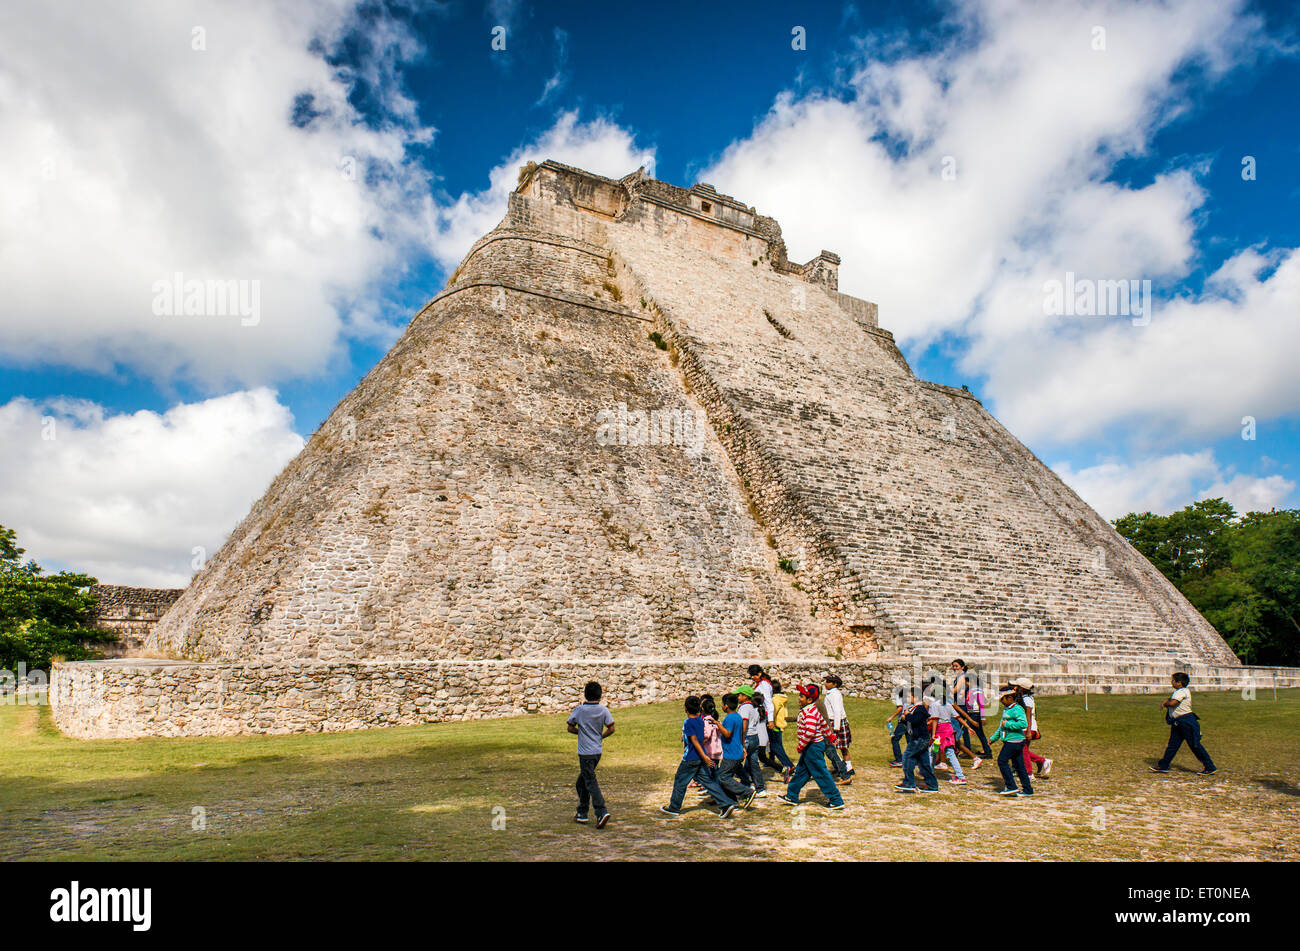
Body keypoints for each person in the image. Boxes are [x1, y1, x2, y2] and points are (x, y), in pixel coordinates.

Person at [661, 695, 752, 817]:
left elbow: (694, 741)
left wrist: (704, 756)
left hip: (691, 758)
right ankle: (725, 803)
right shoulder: (700, 721)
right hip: (699, 758)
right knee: (708, 782)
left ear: (685, 708)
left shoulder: (688, 722)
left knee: (680, 781)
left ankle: (674, 807)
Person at [777, 684, 845, 809]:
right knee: (801, 772)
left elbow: (810, 731)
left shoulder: (808, 712)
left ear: (809, 700)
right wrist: (831, 737)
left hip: (812, 747)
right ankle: (791, 795)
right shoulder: (813, 709)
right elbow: (824, 724)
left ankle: (836, 800)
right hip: (812, 746)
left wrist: (800, 746)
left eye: (801, 696)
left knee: (821, 773)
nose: (798, 698)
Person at [567, 680, 615, 827]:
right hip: (597, 751)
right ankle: (582, 812)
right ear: (600, 696)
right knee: (581, 782)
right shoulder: (603, 710)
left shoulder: (580, 710)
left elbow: (570, 727)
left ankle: (601, 811)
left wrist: (580, 733)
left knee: (590, 781)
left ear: (585, 695)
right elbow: (611, 728)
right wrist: (600, 736)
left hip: (584, 752)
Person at [1150, 672, 1218, 775]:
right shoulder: (1180, 691)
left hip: (1185, 722)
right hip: (1178, 722)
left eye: (1173, 680)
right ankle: (1164, 765)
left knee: (1195, 745)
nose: (1171, 682)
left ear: (1179, 683)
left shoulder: (1181, 691)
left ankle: (1210, 767)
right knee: (1173, 745)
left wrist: (1165, 703)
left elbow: (1173, 703)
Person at [989, 688, 1033, 797]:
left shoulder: (1017, 709)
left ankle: (1011, 786)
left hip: (1015, 741)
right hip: (1009, 740)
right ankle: (1028, 789)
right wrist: (993, 738)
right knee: (1019, 766)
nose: (1001, 701)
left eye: (1002, 699)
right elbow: (1001, 726)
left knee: (1002, 761)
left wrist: (1008, 725)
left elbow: (1023, 724)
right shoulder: (1006, 709)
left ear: (1010, 698)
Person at [894, 687, 939, 793]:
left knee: (907, 758)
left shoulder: (920, 709)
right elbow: (910, 722)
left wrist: (908, 716)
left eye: (910, 696)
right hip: (918, 738)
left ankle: (909, 783)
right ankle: (932, 785)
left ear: (917, 697)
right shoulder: (913, 708)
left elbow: (915, 720)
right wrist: (905, 718)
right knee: (924, 763)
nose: (908, 698)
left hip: (919, 739)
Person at [714, 693, 755, 799]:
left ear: (726, 706)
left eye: (722, 704)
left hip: (731, 754)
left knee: (722, 777)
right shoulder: (738, 717)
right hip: (737, 751)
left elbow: (727, 734)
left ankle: (746, 792)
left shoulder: (730, 718)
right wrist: (743, 747)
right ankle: (731, 800)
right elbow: (742, 733)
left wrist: (718, 724)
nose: (722, 706)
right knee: (727, 777)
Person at [932, 695, 980, 784]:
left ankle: (960, 776)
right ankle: (927, 772)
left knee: (939, 752)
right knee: (935, 751)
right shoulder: (949, 705)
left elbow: (935, 719)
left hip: (941, 730)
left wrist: (933, 733)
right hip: (948, 729)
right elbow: (958, 717)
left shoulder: (935, 705)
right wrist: (968, 727)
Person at [1011, 678, 1052, 779]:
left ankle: (1029, 773)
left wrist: (1028, 731)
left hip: (1027, 728)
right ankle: (1042, 761)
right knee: (1019, 750)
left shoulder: (1027, 700)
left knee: (1022, 750)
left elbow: (1028, 715)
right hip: (1027, 727)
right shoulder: (1024, 698)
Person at [737, 684, 768, 797]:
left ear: (745, 696)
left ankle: (746, 783)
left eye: (739, 695)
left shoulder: (744, 707)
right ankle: (760, 788)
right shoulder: (753, 707)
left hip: (747, 737)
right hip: (755, 737)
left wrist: (741, 740)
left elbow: (744, 724)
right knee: (754, 763)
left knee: (736, 762)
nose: (737, 697)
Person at [822, 674, 854, 784]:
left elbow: (837, 711)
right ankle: (845, 767)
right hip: (837, 721)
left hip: (836, 722)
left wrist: (836, 727)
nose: (826, 683)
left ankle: (847, 769)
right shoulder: (831, 694)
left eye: (828, 681)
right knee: (841, 748)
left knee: (839, 748)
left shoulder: (834, 695)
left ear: (835, 684)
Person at [956, 664, 993, 757]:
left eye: (966, 682)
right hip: (972, 713)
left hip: (975, 714)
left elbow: (981, 705)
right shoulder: (971, 690)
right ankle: (987, 751)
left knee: (965, 730)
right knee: (980, 733)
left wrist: (983, 717)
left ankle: (967, 751)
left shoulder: (977, 691)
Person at [764, 680, 795, 781]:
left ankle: (788, 764)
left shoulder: (775, 700)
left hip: (775, 725)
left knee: (775, 746)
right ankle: (771, 760)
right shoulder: (781, 698)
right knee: (776, 745)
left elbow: (773, 711)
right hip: (779, 724)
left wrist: (770, 721)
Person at [885, 685, 908, 767]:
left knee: (895, 739)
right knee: (910, 741)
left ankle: (899, 759)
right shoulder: (908, 697)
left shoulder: (899, 696)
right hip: (910, 721)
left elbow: (899, 708)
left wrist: (891, 717)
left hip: (903, 721)